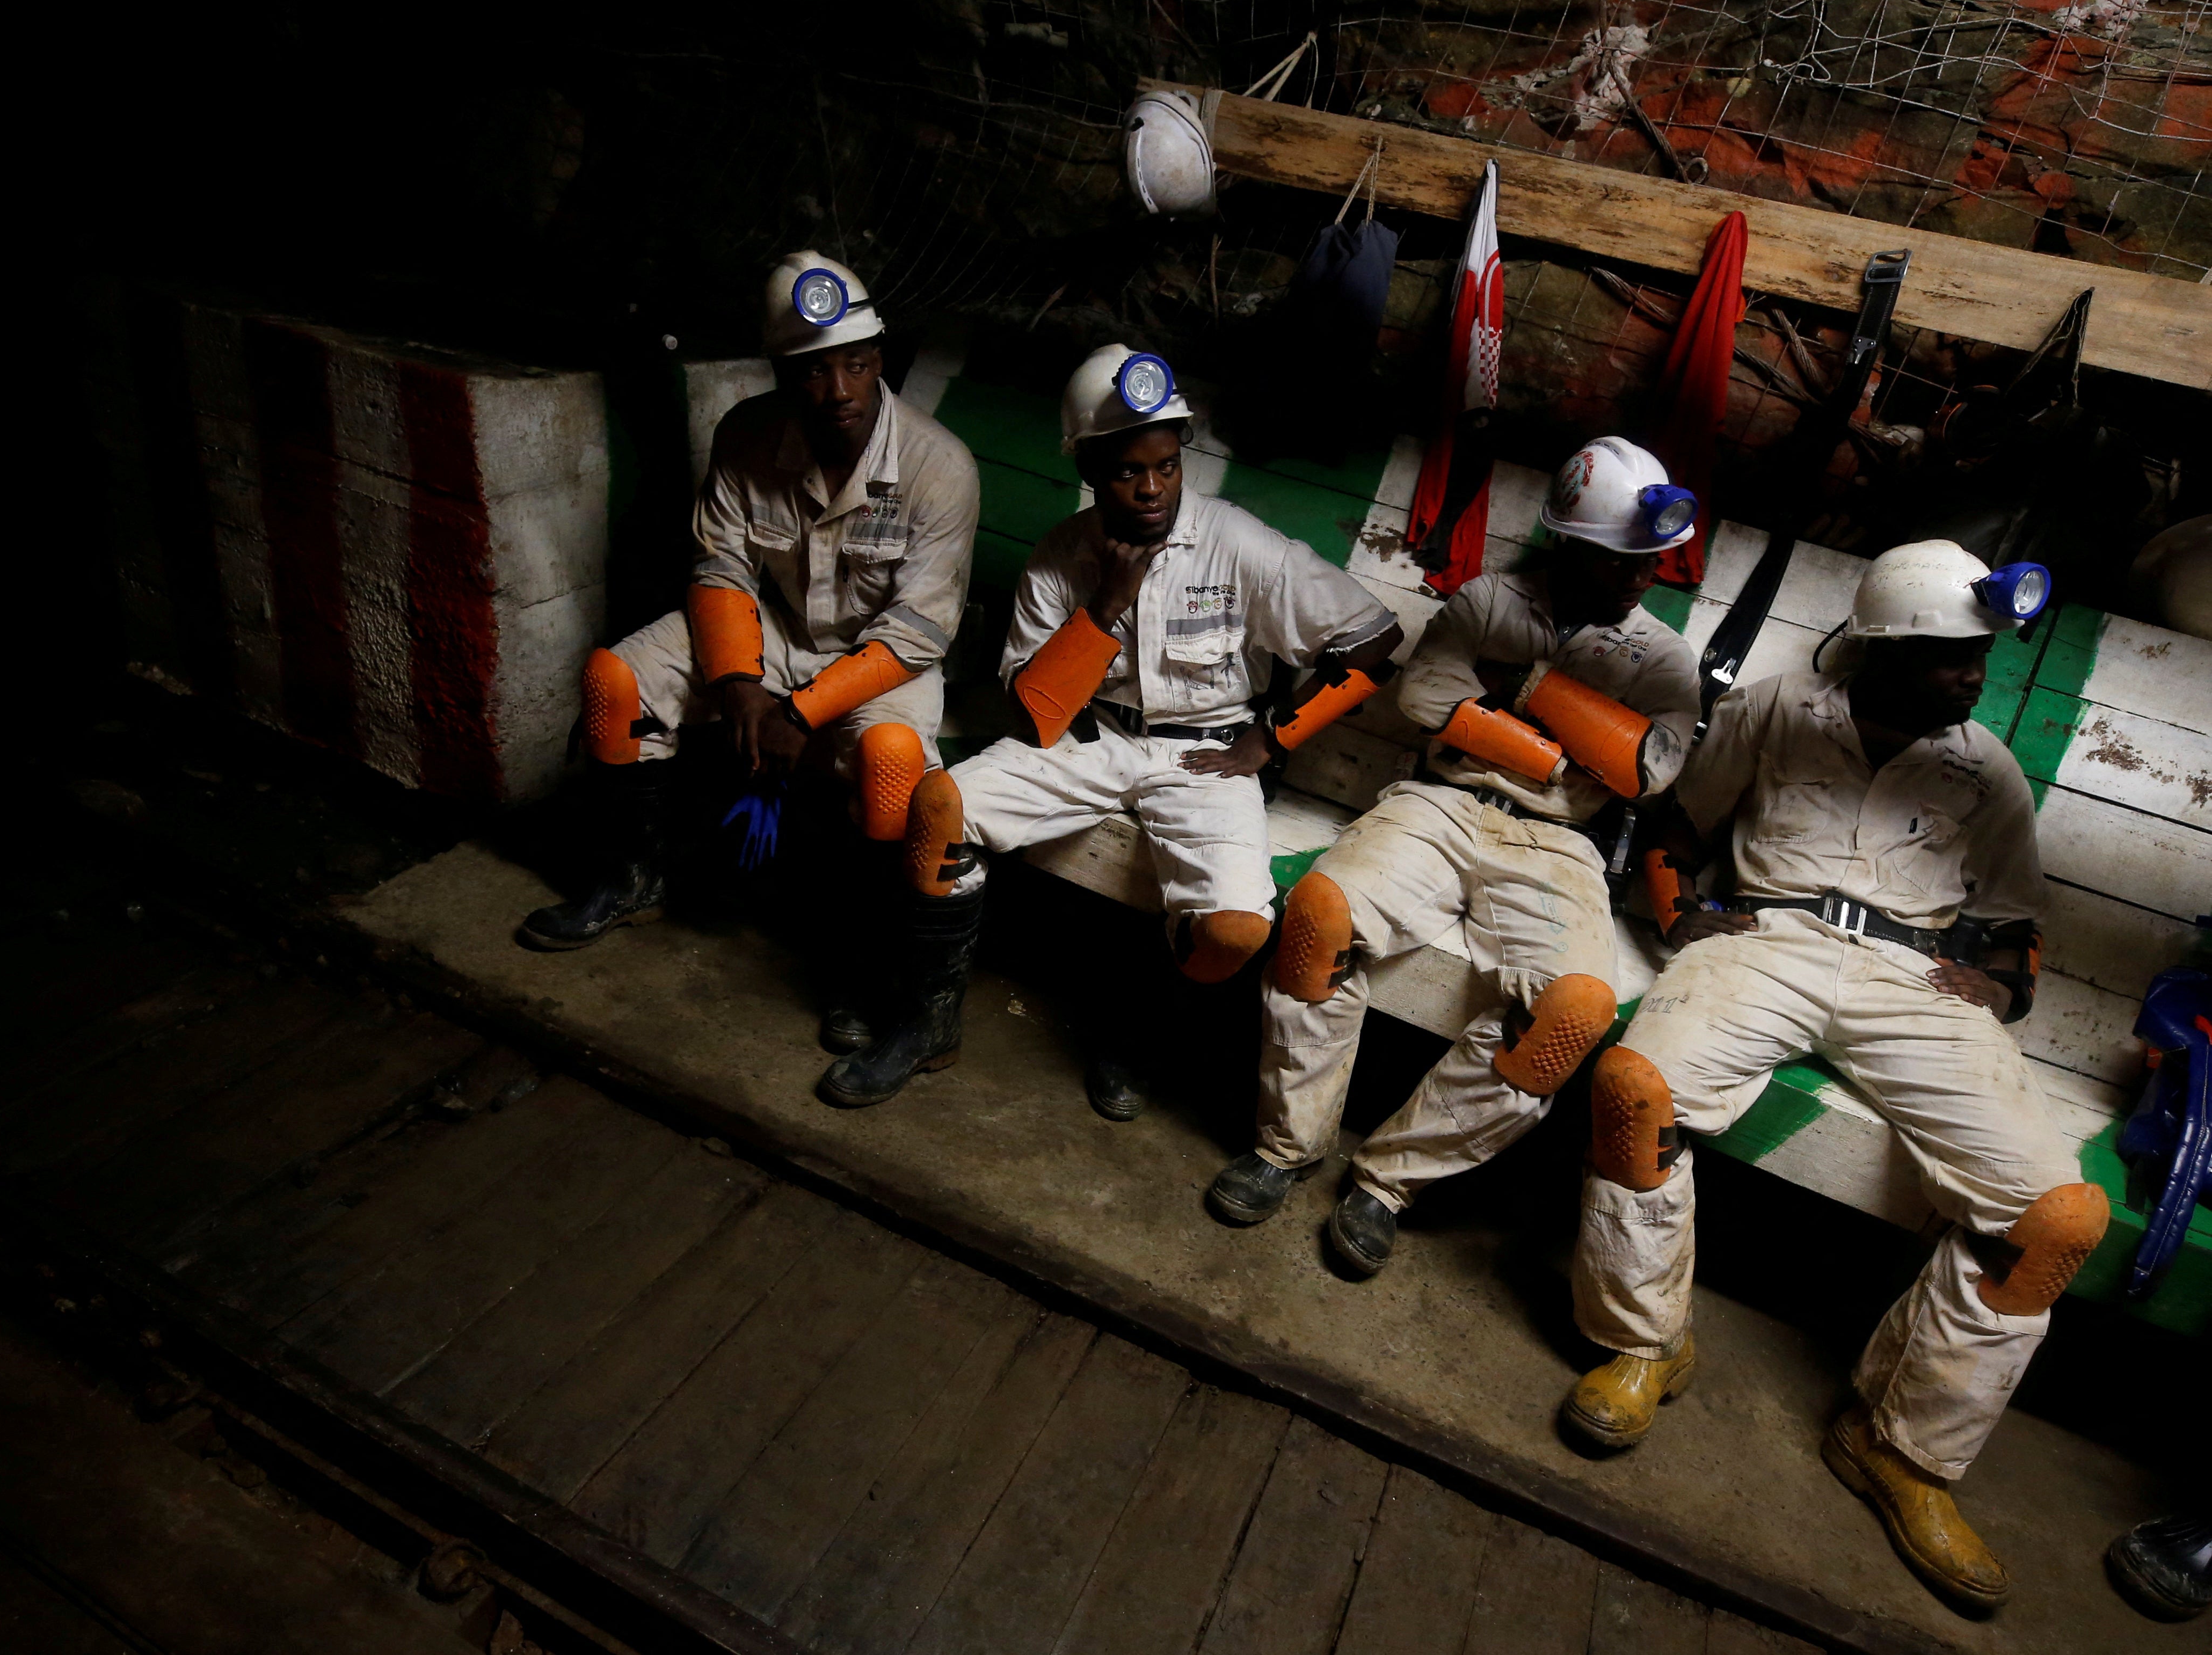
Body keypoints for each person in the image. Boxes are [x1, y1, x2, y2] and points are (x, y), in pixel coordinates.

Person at [1563, 539, 2100, 1614]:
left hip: (1913, 978)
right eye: (1950, 653)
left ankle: (1899, 1448)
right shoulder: (1777, 709)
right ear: (1885, 649)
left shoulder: (1985, 769)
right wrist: (1684, 919)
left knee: (2056, 1220)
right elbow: (1677, 831)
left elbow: (2014, 933)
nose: (1972, 672)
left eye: (1979, 653)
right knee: (1634, 1092)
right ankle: (1647, 1341)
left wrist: (1991, 991)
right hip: (1771, 942)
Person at [820, 344, 1402, 1116]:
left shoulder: (1235, 540)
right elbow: (1036, 716)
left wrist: (1271, 740)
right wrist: (1107, 602)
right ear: (1089, 469)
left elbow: (1373, 641)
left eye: (1166, 465)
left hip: (1205, 756)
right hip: (1084, 740)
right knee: (939, 807)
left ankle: (1137, 1036)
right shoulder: (1063, 556)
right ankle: (925, 1024)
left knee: (1232, 930)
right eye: (1129, 471)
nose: (1153, 487)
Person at [1214, 438, 1702, 1255]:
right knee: (1319, 918)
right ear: (1570, 541)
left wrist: (1522, 691)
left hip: (1556, 842)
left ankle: (1387, 1184)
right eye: (1619, 554)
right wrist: (1562, 750)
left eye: (1649, 556)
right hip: (1437, 805)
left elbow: (1644, 771)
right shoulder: (1490, 600)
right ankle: (1286, 1147)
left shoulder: (1661, 657)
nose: (1638, 571)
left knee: (1572, 1012)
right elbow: (1426, 692)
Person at [519, 253, 980, 1047]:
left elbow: (915, 632)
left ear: (879, 361)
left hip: (883, 659)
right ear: (780, 370)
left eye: (854, 366)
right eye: (811, 371)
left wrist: (799, 711)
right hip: (771, 631)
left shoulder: (940, 468)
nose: (836, 391)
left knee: (892, 762)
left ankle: (860, 966)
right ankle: (631, 875)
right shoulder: (748, 434)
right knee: (614, 680)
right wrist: (738, 684)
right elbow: (720, 565)